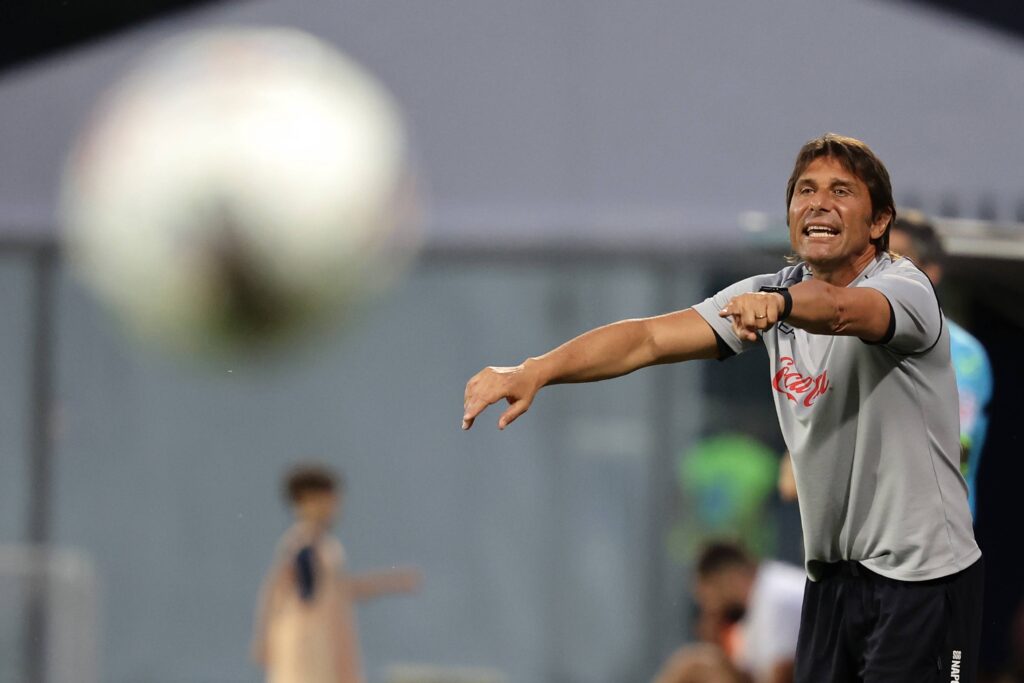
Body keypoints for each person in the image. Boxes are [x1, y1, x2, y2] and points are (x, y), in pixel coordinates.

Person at [462, 133, 983, 682]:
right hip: (834, 584)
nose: (818, 202)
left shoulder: (907, 290)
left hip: (924, 582)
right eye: (805, 190)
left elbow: (839, 308)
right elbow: (648, 339)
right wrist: (536, 369)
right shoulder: (773, 290)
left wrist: (779, 304)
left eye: (841, 191)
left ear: (879, 222)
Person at [252, 464, 420, 683]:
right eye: (327, 500)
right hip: (307, 649)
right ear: (306, 501)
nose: (333, 507)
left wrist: (390, 583)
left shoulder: (324, 546)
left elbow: (336, 589)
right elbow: (282, 589)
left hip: (323, 645)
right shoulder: (302, 545)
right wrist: (264, 637)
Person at [889, 211, 993, 516]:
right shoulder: (852, 342)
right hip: (858, 547)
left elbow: (951, 451)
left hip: (935, 542)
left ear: (930, 272)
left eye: (900, 258)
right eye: (878, 257)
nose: (884, 269)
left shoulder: (963, 354)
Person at [686, 542, 803, 683]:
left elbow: (782, 675)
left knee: (697, 667)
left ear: (725, 580)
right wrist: (715, 646)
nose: (710, 610)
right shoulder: (755, 605)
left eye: (708, 599)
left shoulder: (776, 598)